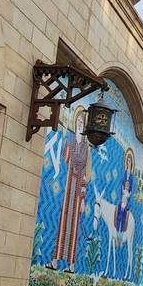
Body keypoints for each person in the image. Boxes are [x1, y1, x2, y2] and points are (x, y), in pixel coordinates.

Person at [47, 106, 90, 274]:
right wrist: (66, 140)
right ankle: (55, 260)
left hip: (78, 189)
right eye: (78, 121)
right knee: (62, 224)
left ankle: (71, 264)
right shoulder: (70, 140)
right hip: (68, 187)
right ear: (75, 122)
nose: (79, 124)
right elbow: (65, 158)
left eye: (82, 122)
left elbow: (86, 173)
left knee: (74, 228)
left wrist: (83, 198)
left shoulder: (86, 148)